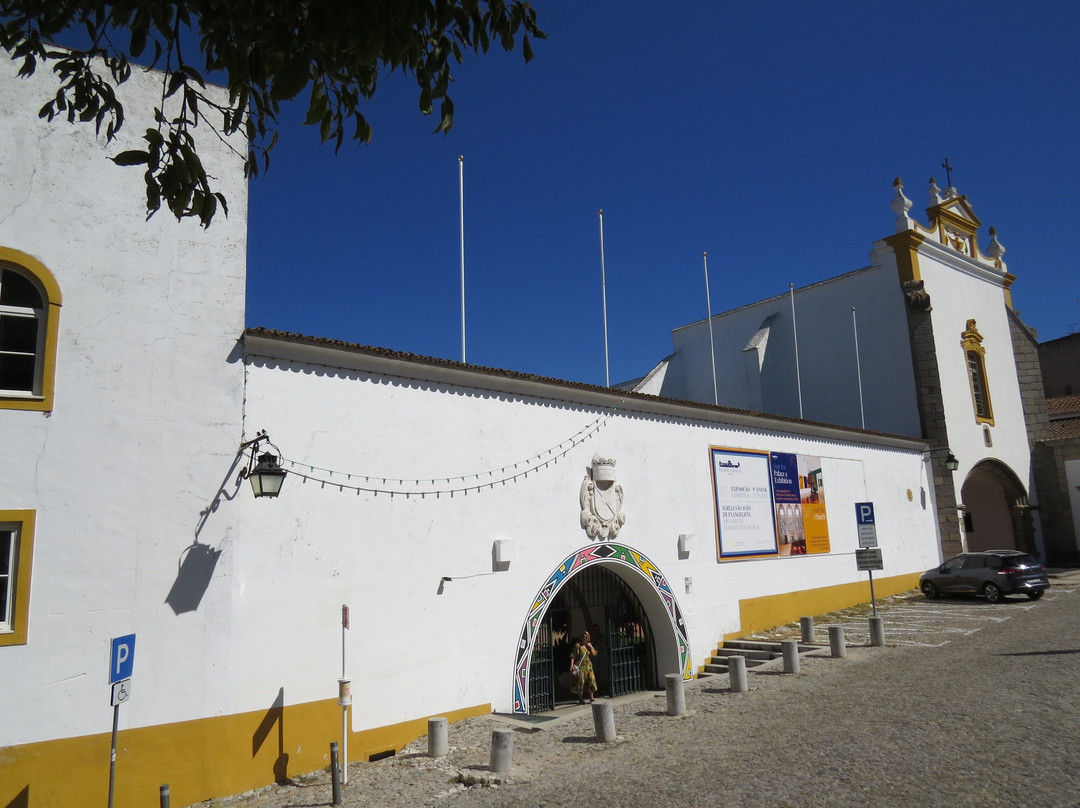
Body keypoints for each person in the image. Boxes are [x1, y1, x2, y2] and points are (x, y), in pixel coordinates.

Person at [570, 631, 598, 704]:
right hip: (581, 667)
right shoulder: (578, 645)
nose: (584, 639)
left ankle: (591, 697)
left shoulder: (588, 646)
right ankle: (580, 698)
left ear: (588, 638)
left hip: (589, 666)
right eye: (583, 637)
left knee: (591, 681)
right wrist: (571, 665)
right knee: (581, 682)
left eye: (586, 637)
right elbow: (573, 655)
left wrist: (591, 647)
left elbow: (594, 654)